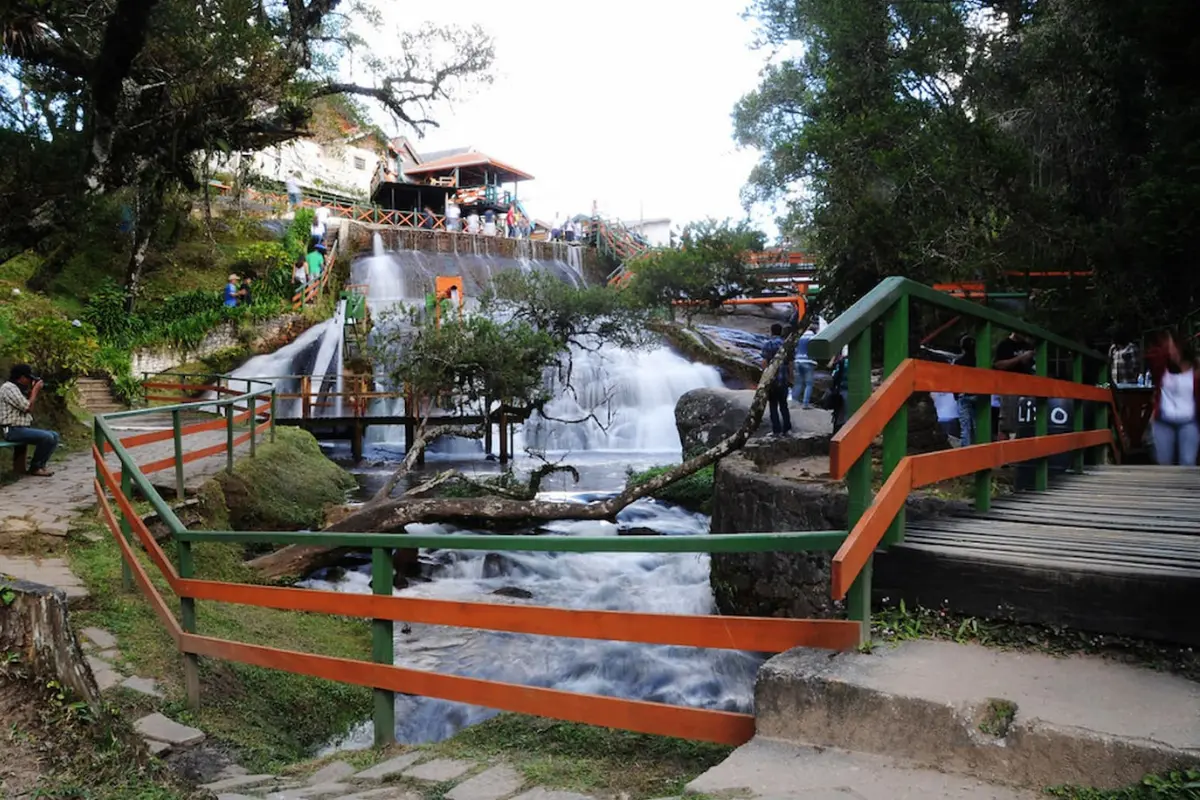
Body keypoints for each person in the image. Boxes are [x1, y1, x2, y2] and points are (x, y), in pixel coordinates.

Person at [1146, 330, 1199, 466]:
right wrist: (1167, 346)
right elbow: (1151, 356)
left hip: (1189, 422)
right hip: (1163, 421)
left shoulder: (1196, 370)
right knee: (1164, 463)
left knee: (1187, 462)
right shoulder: (1162, 368)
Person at [1, 365, 60, 477]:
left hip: (21, 429)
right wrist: (35, 390)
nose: (29, 381)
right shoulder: (9, 388)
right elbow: (28, 407)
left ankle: (40, 466)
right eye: (28, 378)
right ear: (22, 377)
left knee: (54, 435)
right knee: (47, 437)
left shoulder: (18, 389)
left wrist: (31, 391)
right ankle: (35, 467)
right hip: (12, 430)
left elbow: (29, 407)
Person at [993, 331, 1035, 439]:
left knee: (1025, 421)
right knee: (1007, 421)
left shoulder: (1027, 345)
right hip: (1009, 388)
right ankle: (1003, 448)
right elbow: (998, 365)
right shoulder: (1004, 345)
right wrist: (1020, 358)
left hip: (1027, 387)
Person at [760, 323, 793, 437]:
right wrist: (790, 377)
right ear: (781, 332)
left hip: (772, 381)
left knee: (773, 406)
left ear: (771, 331)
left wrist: (766, 376)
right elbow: (790, 363)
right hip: (783, 380)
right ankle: (787, 429)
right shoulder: (786, 344)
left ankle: (776, 431)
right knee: (784, 405)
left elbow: (764, 361)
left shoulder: (768, 344)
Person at [955, 335, 977, 446]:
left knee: (965, 428)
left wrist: (956, 395)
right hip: (978, 394)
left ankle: (966, 453)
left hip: (964, 395)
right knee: (977, 426)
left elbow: (954, 379)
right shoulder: (979, 360)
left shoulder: (958, 361)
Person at [793, 323, 818, 408]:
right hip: (808, 362)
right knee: (809, 384)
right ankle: (805, 403)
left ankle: (793, 402)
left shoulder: (800, 336)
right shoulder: (814, 337)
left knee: (798, 383)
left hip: (797, 360)